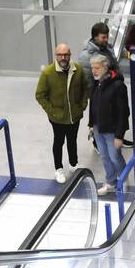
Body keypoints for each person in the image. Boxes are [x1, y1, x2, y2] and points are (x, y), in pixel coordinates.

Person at [34, 43, 88, 183]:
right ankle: (58, 168)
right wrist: (51, 111)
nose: (63, 57)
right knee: (58, 142)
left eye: (66, 54)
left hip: (74, 116)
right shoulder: (48, 73)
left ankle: (73, 164)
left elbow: (85, 89)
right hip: (57, 118)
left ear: (70, 55)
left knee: (72, 140)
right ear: (56, 55)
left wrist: (82, 105)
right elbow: (40, 95)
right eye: (60, 55)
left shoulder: (78, 70)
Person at [86, 55, 128, 195]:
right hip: (98, 127)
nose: (94, 71)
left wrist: (119, 135)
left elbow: (123, 112)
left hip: (112, 130)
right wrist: (91, 124)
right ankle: (111, 183)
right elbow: (93, 104)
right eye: (92, 68)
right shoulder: (96, 83)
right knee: (104, 156)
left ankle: (123, 180)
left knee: (115, 156)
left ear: (105, 67)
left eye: (97, 68)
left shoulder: (118, 85)